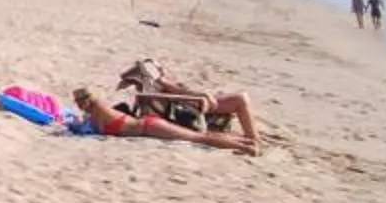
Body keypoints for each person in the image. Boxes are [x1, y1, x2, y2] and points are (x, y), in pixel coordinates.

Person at [73, 84, 258, 153]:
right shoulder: (99, 114)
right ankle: (245, 141)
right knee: (202, 136)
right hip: (149, 124)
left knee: (200, 138)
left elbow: (86, 126)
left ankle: (246, 146)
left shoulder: (99, 113)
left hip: (150, 127)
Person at [119, 59, 266, 143]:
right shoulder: (161, 83)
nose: (163, 70)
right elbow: (177, 91)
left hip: (184, 105)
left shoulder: (154, 87)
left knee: (239, 98)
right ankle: (254, 140)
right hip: (187, 107)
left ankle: (251, 138)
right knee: (241, 98)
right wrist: (201, 94)